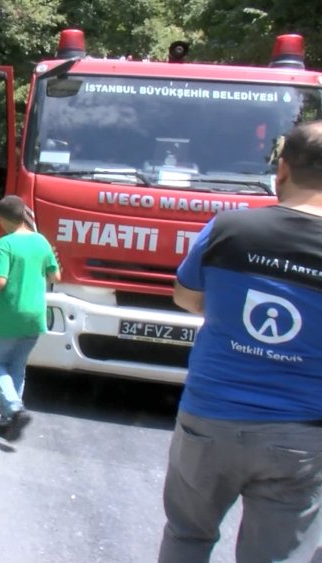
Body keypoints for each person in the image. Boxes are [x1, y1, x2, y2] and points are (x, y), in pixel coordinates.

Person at [159, 120, 322, 562]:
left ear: (282, 170)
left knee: (187, 535)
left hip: (209, 418)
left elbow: (185, 296)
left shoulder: (229, 228)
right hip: (302, 433)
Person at [0, 195, 60, 441]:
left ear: (4, 219)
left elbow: (0, 281)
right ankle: (8, 422)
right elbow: (55, 277)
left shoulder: (5, 243)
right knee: (17, 365)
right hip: (36, 314)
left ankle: (14, 406)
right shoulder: (41, 241)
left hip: (11, 314)